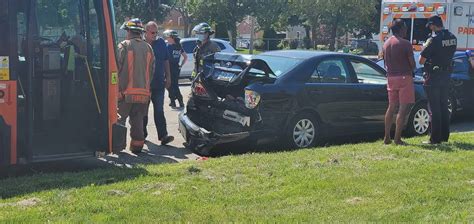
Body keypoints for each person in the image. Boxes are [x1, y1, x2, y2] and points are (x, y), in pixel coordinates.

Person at [116, 18, 154, 153]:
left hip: (125, 94)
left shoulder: (124, 46)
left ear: (129, 31)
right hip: (143, 94)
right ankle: (137, 147)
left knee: (119, 121)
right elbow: (151, 71)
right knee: (138, 121)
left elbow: (116, 69)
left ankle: (118, 147)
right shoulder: (148, 48)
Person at [419, 16, 457, 145]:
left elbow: (421, 60)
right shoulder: (452, 37)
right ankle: (444, 136)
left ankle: (434, 138)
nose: (430, 28)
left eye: (430, 26)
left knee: (434, 108)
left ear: (434, 25)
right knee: (443, 106)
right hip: (446, 75)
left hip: (434, 76)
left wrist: (424, 48)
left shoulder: (433, 40)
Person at [382, 19, 416, 145]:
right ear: (401, 29)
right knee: (402, 109)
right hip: (404, 77)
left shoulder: (386, 43)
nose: (406, 30)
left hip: (390, 77)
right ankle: (397, 139)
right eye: (405, 27)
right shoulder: (405, 43)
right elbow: (412, 64)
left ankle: (386, 137)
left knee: (391, 107)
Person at [143, 21, 174, 145]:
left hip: (159, 84)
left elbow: (166, 60)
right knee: (143, 112)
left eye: (156, 32)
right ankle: (141, 136)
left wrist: (169, 77)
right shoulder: (141, 44)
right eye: (152, 32)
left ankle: (163, 136)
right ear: (145, 32)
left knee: (159, 110)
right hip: (144, 85)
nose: (155, 35)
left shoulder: (161, 43)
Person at [163, 29, 187, 108]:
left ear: (172, 38)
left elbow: (165, 58)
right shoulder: (179, 46)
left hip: (169, 67)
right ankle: (179, 101)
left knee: (169, 85)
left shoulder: (168, 47)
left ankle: (174, 100)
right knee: (175, 85)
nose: (167, 38)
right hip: (176, 67)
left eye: (168, 37)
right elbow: (185, 57)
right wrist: (180, 65)